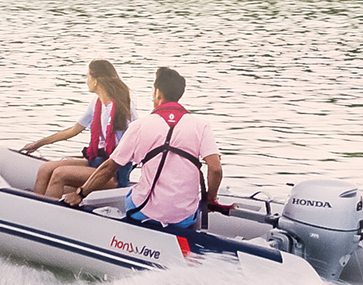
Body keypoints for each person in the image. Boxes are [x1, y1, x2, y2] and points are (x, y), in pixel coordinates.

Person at [63, 66, 221, 233]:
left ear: (158, 93)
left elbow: (110, 167)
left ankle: (128, 236)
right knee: (191, 209)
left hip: (144, 211)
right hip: (184, 217)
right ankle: (192, 240)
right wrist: (210, 199)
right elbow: (215, 169)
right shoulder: (201, 126)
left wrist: (80, 194)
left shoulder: (139, 126)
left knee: (132, 194)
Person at [21, 60, 135, 199]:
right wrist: (38, 144)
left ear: (96, 81)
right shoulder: (97, 101)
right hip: (97, 162)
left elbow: (133, 142)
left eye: (88, 77)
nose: (86, 81)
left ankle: (46, 214)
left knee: (59, 174)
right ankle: (35, 207)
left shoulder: (123, 108)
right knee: (45, 169)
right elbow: (73, 130)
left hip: (112, 173)